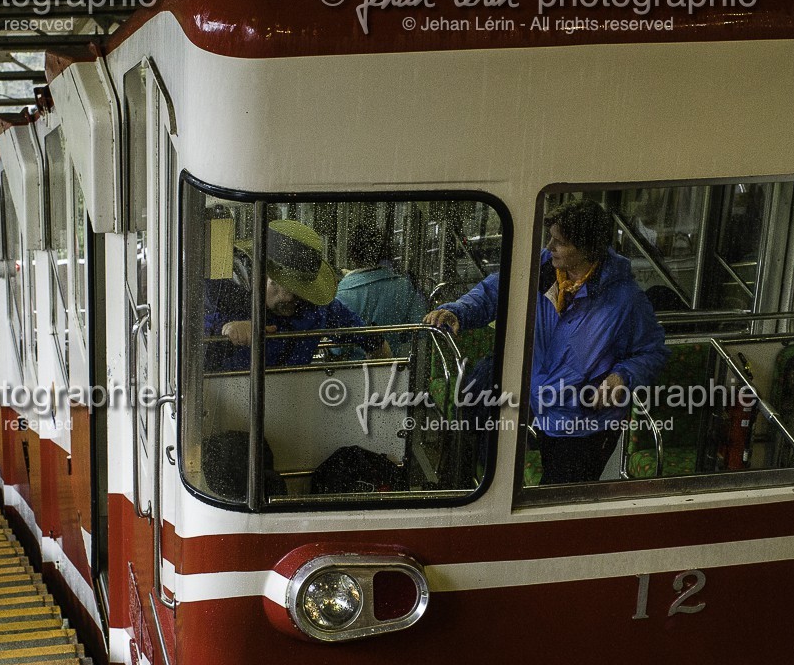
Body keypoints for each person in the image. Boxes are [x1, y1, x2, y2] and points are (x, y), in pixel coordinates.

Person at [425, 198, 667, 485]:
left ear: (587, 249)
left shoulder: (625, 299)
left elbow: (652, 352)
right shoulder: (541, 270)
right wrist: (458, 311)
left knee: (560, 497)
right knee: (477, 399)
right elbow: (492, 292)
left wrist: (623, 376)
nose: (550, 247)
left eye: (560, 242)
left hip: (585, 421)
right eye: (550, 238)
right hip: (542, 400)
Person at [206, 218, 388, 371]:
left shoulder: (318, 308)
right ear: (260, 274)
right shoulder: (225, 297)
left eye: (301, 290)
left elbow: (373, 341)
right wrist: (228, 332)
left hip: (299, 402)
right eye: (283, 285)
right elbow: (190, 349)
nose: (290, 298)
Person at [336, 222, 431, 350]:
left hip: (351, 368)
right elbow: (421, 329)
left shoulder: (341, 292)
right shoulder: (403, 286)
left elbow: (337, 349)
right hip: (392, 366)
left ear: (353, 255)